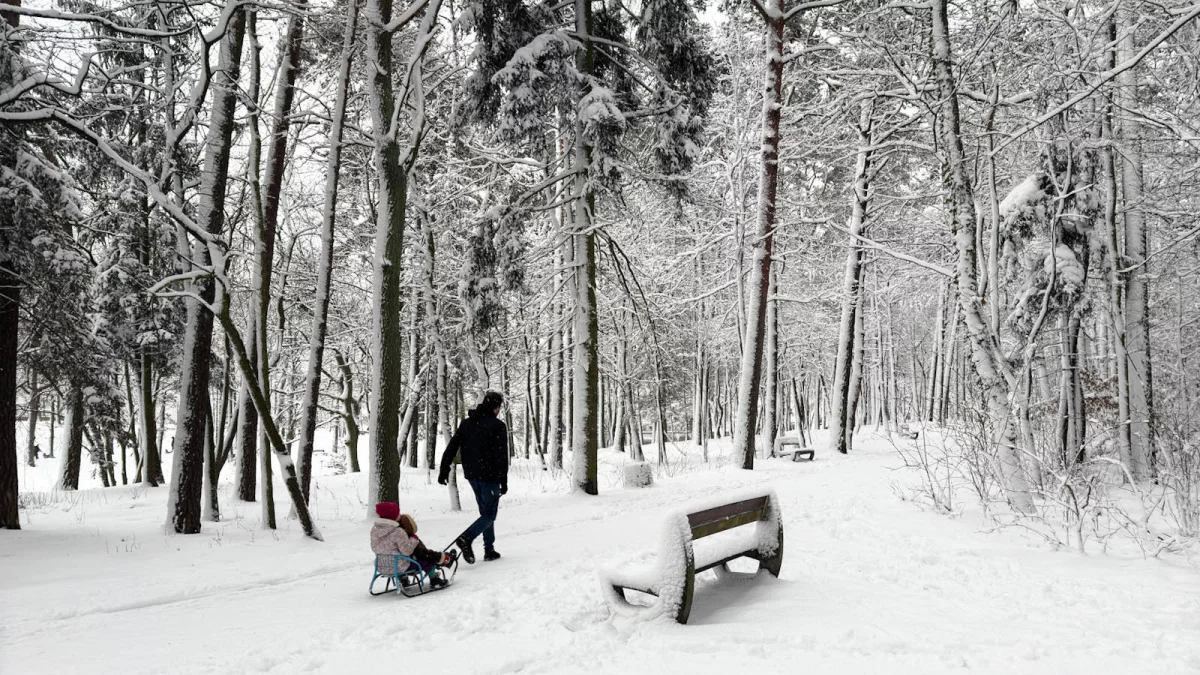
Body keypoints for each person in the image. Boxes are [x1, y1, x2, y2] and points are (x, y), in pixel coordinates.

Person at [438, 391, 508, 564]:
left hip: (472, 475)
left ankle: (489, 550)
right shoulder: (497, 426)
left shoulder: (467, 423)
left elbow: (452, 446)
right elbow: (501, 456)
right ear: (496, 407)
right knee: (490, 515)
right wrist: (503, 480)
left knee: (485, 513)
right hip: (489, 476)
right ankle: (466, 539)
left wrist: (444, 468)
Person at [370, 502, 455, 587]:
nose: (400, 514)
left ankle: (403, 579)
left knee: (398, 559)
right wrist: (414, 539)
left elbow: (374, 548)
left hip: (382, 566)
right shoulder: (398, 532)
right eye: (398, 513)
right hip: (399, 567)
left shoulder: (374, 531)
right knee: (426, 561)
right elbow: (407, 551)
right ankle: (434, 579)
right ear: (393, 516)